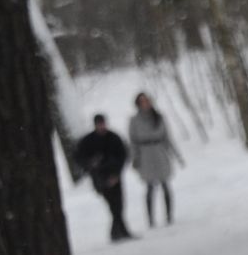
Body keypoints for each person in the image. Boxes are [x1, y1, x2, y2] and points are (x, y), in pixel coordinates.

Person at [72, 114, 134, 242]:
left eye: (103, 123)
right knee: (112, 205)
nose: (101, 126)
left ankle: (118, 231)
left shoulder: (114, 137)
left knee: (119, 204)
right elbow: (78, 157)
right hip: (99, 177)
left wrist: (116, 173)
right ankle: (119, 231)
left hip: (115, 175)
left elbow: (123, 155)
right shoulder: (88, 141)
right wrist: (90, 164)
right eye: (99, 124)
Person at [128, 92, 182, 228]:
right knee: (150, 187)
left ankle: (169, 216)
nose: (145, 104)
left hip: (159, 153)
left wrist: (176, 154)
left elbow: (167, 137)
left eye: (147, 101)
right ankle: (151, 219)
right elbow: (133, 141)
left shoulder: (159, 117)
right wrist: (135, 158)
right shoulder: (134, 121)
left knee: (165, 185)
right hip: (145, 155)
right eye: (142, 102)